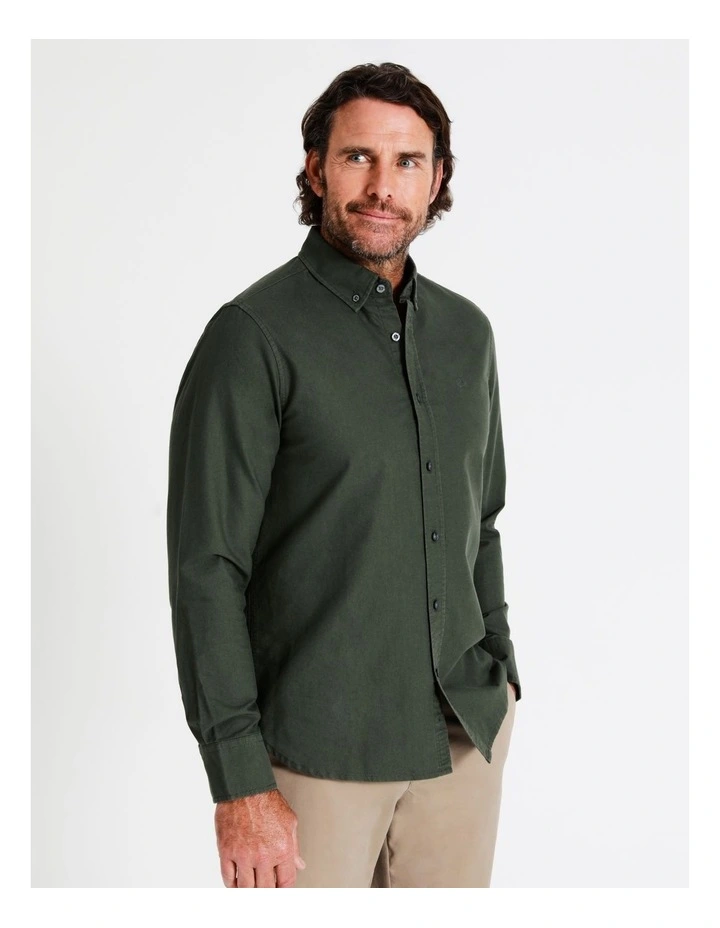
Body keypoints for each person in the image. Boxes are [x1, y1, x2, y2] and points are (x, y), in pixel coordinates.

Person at [166, 61, 522, 889]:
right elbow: (207, 569)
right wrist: (239, 779)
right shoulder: (251, 337)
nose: (382, 187)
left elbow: (482, 521)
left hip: (463, 739)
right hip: (314, 758)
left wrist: (500, 668)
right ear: (316, 168)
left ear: (437, 180)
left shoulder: (467, 335)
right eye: (358, 156)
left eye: (407, 162)